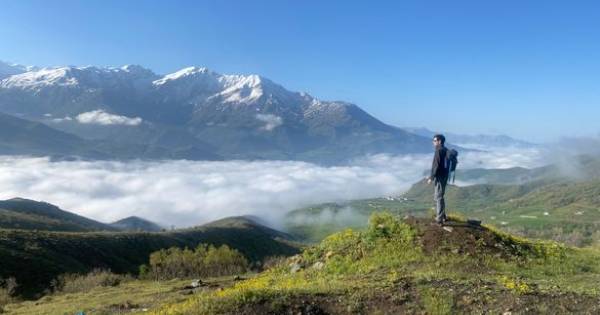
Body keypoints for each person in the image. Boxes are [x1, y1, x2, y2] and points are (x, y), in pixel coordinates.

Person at [427, 134, 449, 225]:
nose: (433, 142)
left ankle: (439, 219)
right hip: (444, 175)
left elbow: (435, 165)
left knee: (438, 197)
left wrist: (431, 177)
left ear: (439, 141)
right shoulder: (445, 149)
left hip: (440, 177)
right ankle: (443, 216)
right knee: (440, 196)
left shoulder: (438, 151)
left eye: (435, 140)